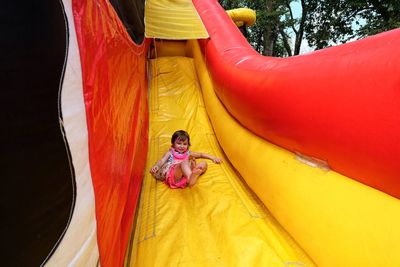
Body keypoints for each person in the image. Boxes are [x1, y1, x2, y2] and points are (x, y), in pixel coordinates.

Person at [150, 130, 222, 188]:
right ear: (173, 143)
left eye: (185, 144)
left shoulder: (188, 153)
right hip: (175, 175)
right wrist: (157, 166)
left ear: (188, 145)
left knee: (204, 163)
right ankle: (190, 177)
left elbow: (201, 154)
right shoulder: (170, 153)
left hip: (185, 176)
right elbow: (162, 161)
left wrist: (213, 158)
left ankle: (193, 175)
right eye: (179, 143)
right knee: (184, 162)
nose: (182, 146)